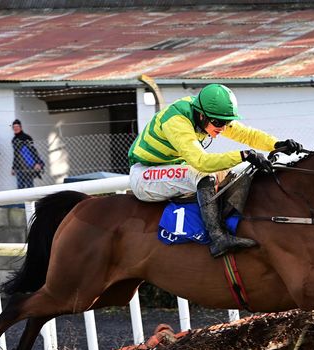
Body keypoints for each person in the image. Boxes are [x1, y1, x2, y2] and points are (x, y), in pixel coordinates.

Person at [128, 83, 302, 257]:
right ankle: (218, 238)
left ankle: (231, 225)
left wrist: (276, 144)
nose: (223, 128)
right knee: (203, 174)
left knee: (230, 175)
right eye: (219, 123)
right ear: (202, 115)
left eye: (227, 122)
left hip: (170, 169)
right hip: (145, 175)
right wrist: (245, 155)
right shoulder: (177, 121)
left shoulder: (205, 112)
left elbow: (246, 134)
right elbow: (201, 161)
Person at [10, 119, 44, 189]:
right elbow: (15, 155)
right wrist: (13, 167)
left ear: (21, 127)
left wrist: (37, 163)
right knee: (20, 187)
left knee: (29, 186)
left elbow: (33, 151)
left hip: (28, 166)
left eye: (17, 126)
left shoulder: (27, 137)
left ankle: (31, 200)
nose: (15, 128)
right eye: (14, 127)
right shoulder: (14, 140)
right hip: (18, 167)